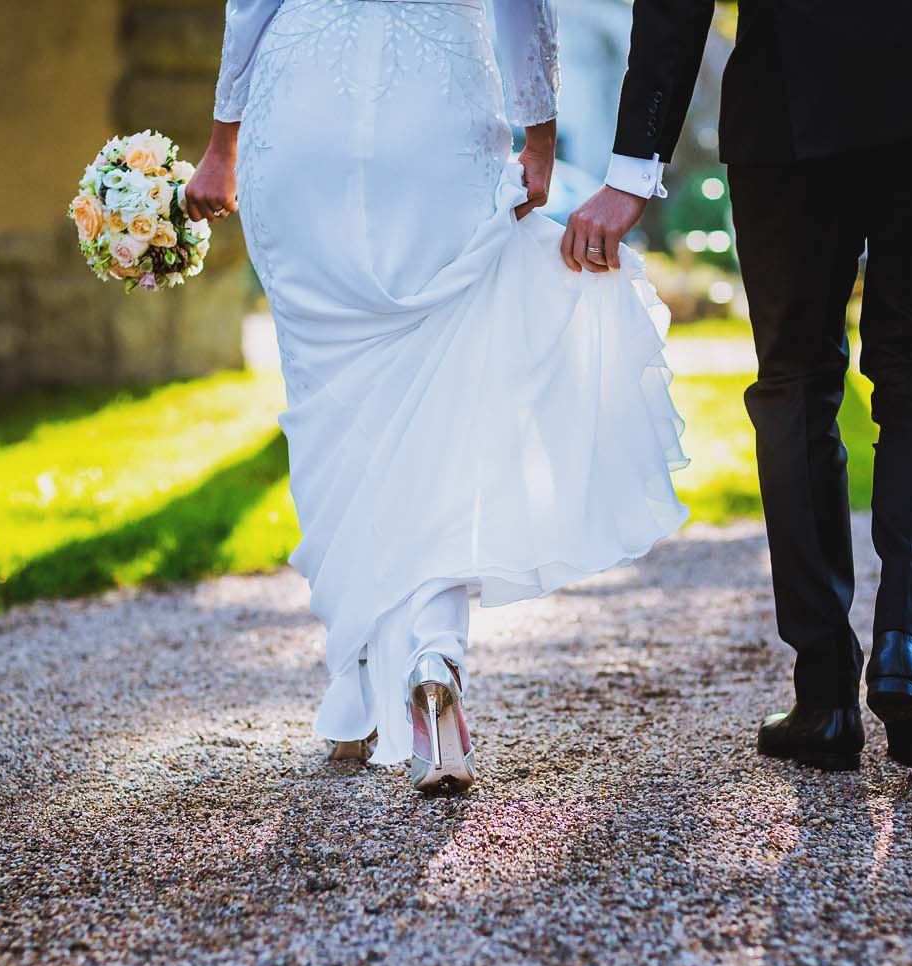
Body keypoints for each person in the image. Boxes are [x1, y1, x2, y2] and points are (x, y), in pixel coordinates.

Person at [185, 0, 690, 794]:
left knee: (327, 399)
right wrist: (541, 131)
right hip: (435, 107)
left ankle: (351, 689)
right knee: (446, 382)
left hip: (300, 103)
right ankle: (433, 648)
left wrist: (222, 141)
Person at [564, 0, 912, 773]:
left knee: (796, 383)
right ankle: (906, 645)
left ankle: (826, 693)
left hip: (792, 86)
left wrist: (634, 167)